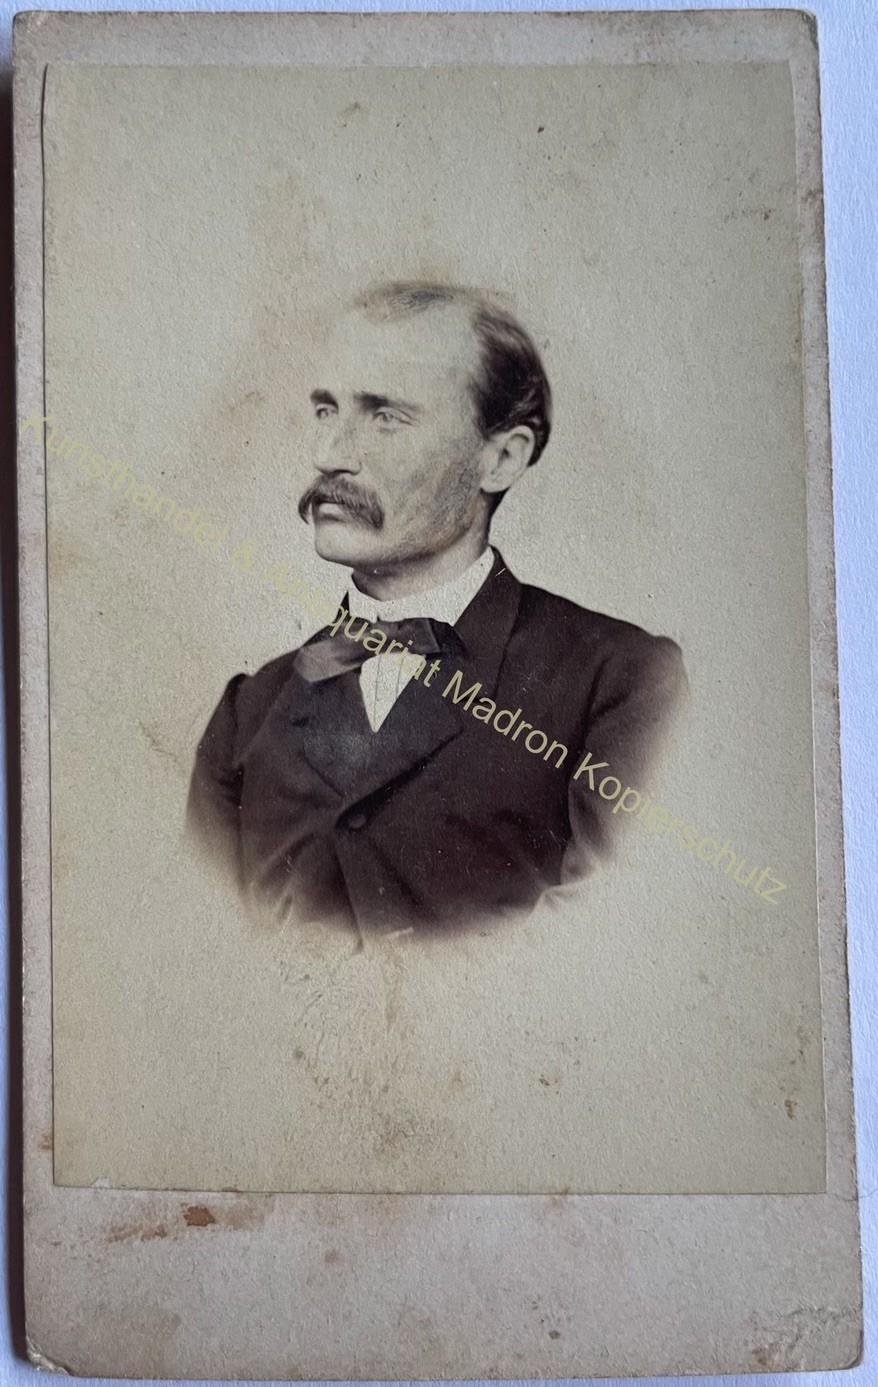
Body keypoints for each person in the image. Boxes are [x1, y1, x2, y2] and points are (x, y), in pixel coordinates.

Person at [187, 282, 686, 933]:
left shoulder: (618, 683)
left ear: (500, 459)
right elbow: (210, 951)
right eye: (326, 410)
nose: (328, 455)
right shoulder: (246, 712)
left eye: (386, 417)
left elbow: (605, 941)